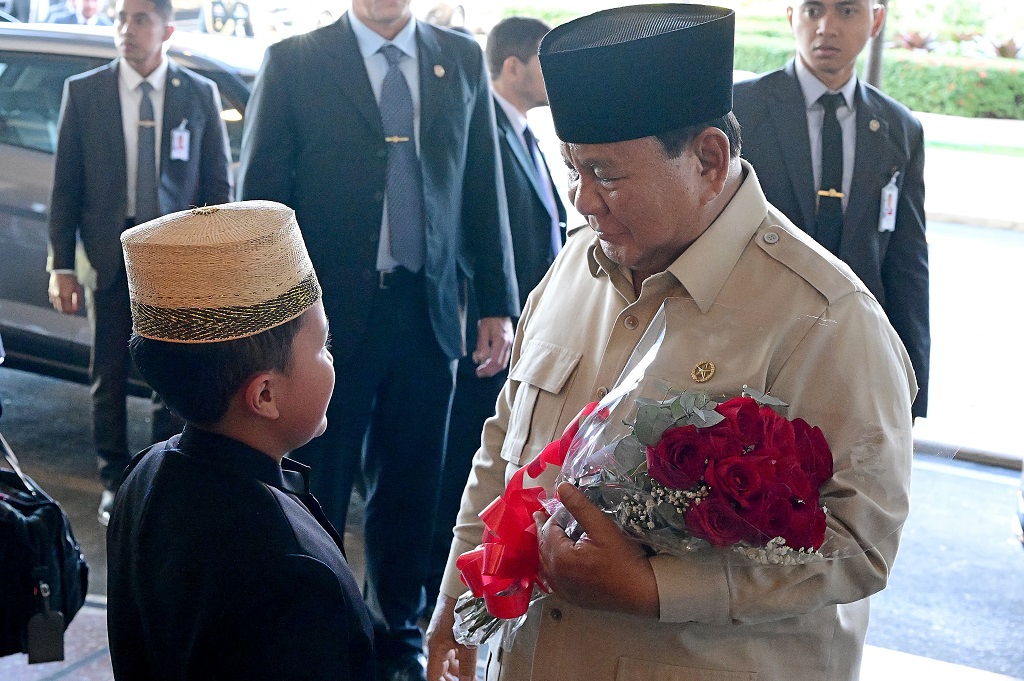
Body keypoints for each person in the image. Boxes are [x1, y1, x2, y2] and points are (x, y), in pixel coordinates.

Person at [425, 5, 916, 681]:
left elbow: (859, 543)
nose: (583, 201)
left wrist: (659, 587)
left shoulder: (825, 319)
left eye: (607, 173)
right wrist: (454, 602)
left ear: (708, 159)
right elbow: (502, 450)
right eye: (573, 169)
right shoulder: (573, 268)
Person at [237, 2, 518, 679]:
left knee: (413, 482)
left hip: (427, 312)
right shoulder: (296, 60)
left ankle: (398, 628)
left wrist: (496, 303)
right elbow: (262, 198)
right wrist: (269, 323)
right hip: (322, 322)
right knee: (315, 478)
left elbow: (483, 182)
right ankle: (316, 620)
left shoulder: (460, 58)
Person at [106, 201, 374, 680]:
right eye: (323, 345)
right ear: (265, 394)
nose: (333, 362)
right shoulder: (287, 574)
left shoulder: (145, 471)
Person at [45, 0, 232, 527]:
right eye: (120, 19)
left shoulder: (198, 95)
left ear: (167, 28)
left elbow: (217, 188)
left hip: (175, 261)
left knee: (170, 376)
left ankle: (164, 475)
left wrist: (212, 263)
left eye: (140, 20)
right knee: (106, 372)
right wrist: (61, 265)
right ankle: (113, 479)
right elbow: (66, 188)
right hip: (107, 254)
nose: (127, 30)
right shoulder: (86, 92)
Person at [425, 14, 565, 613]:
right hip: (488, 335)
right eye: (543, 62)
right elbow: (486, 236)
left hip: (522, 333)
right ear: (512, 66)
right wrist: (499, 310)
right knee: (462, 468)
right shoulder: (489, 139)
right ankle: (443, 589)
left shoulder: (525, 135)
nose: (552, 78)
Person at [732, 0, 929, 418]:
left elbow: (907, 260)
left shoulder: (900, 127)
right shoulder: (739, 109)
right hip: (751, 341)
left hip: (853, 348)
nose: (827, 27)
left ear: (876, 20)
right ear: (791, 18)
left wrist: (912, 384)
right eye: (813, 10)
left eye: (847, 11)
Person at [47, 0, 112, 25]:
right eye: (86, 0)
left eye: (95, 1)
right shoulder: (58, 22)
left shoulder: (108, 27)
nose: (90, 5)